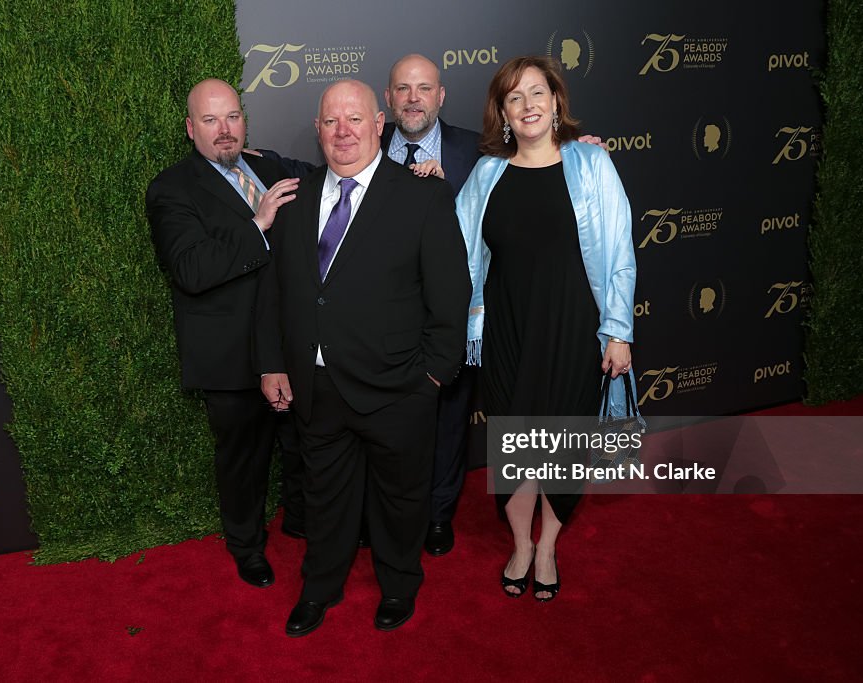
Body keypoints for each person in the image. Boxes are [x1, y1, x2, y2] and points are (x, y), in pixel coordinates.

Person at [256, 79, 470, 636]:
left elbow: (451, 295)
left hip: (399, 386)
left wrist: (431, 375)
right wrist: (275, 362)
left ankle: (399, 586)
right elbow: (276, 293)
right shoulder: (298, 199)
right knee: (324, 498)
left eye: (355, 119)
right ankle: (319, 589)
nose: (342, 131)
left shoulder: (423, 196)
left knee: (400, 501)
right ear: (318, 130)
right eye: (330, 122)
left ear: (380, 124)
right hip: (318, 386)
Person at [456, 56, 636, 602]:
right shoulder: (486, 174)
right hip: (506, 330)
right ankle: (520, 543)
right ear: (503, 113)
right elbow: (458, 252)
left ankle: (549, 545)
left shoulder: (592, 164)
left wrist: (618, 330)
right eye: (515, 97)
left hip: (572, 329)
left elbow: (620, 254)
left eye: (538, 92)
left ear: (556, 102)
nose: (529, 104)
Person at [145, 78, 304, 590]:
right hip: (230, 353)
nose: (223, 130)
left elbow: (338, 178)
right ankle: (246, 546)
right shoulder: (171, 188)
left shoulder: (272, 166)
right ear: (191, 128)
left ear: (244, 120)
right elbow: (190, 268)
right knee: (243, 459)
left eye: (232, 117)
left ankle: (303, 522)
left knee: (307, 442)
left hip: (294, 341)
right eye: (210, 121)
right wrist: (256, 223)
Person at [381, 54, 481, 556]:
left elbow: (539, 165)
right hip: (386, 321)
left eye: (424, 88)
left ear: (441, 96)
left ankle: (439, 514)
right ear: (388, 99)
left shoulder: (477, 151)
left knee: (448, 420)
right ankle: (391, 515)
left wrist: (579, 151)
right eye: (403, 88)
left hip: (454, 316)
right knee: (388, 425)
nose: (413, 98)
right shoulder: (363, 147)